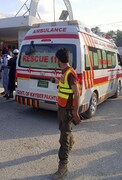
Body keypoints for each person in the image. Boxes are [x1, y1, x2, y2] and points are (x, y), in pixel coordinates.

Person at [52, 48, 81, 180]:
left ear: (59, 59)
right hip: (62, 107)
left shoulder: (71, 73)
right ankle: (71, 141)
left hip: (68, 109)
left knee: (64, 137)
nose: (56, 61)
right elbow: (65, 87)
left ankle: (63, 167)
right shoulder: (64, 72)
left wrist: (75, 112)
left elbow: (76, 93)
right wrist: (56, 81)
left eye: (56, 59)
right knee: (63, 130)